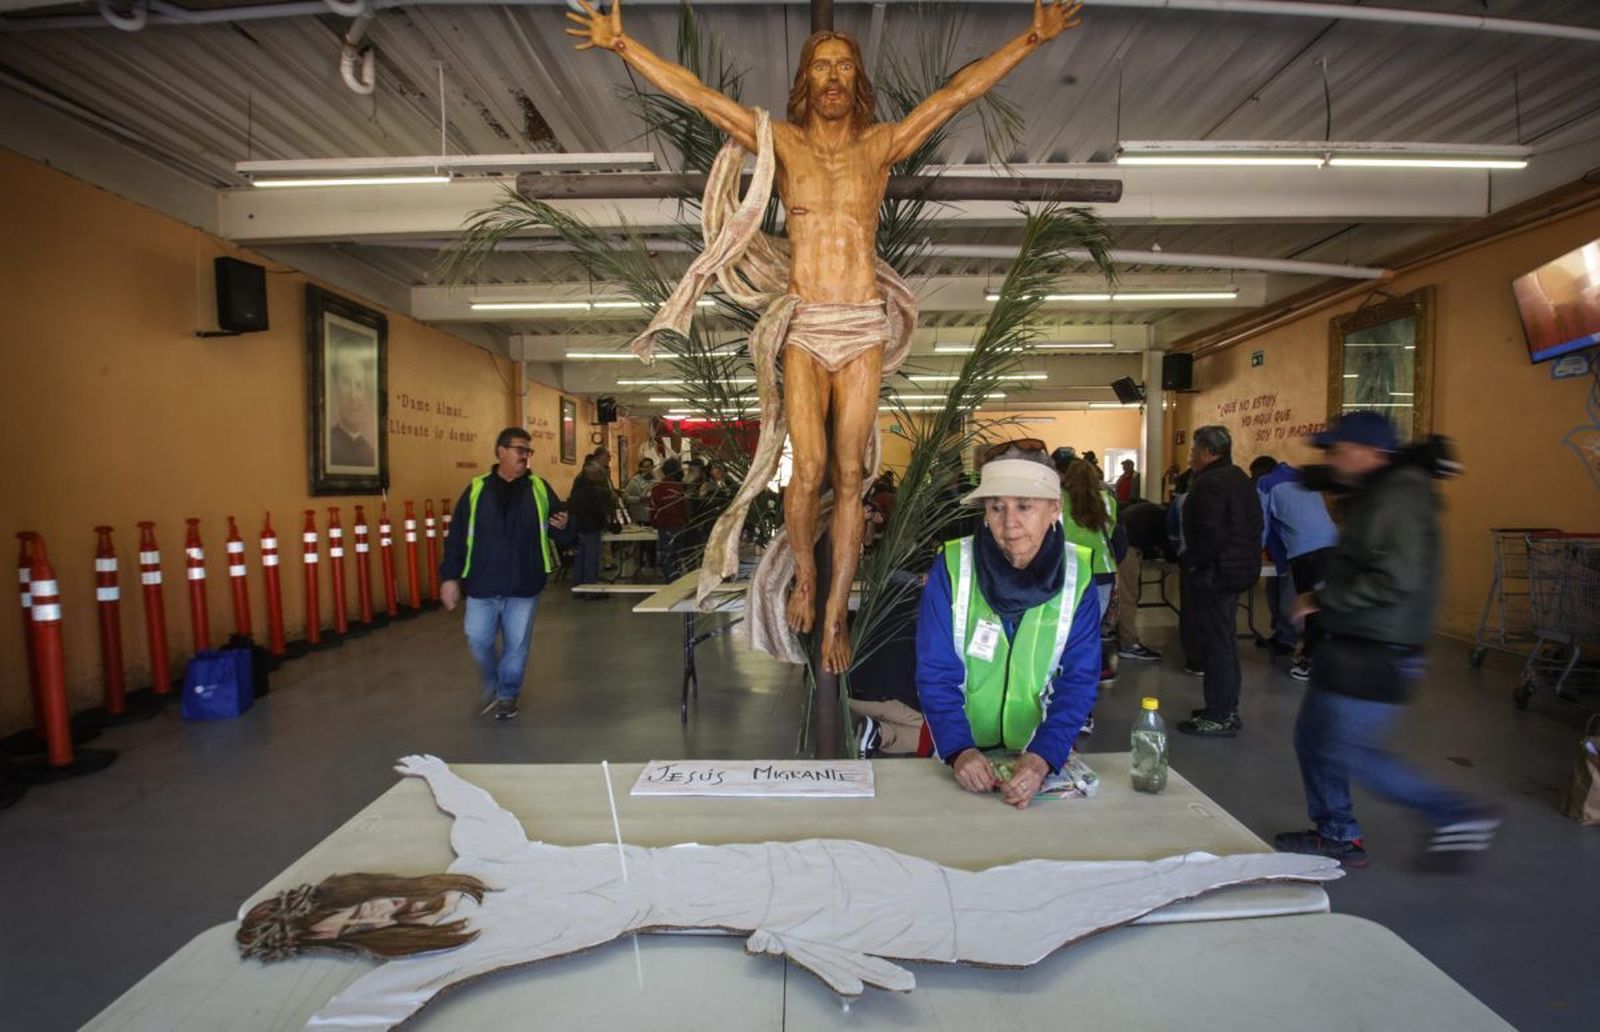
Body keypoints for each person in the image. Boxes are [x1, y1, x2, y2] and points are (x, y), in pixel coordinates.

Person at [573, 0, 1089, 674]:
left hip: (861, 323)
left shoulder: (879, 146)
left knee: (850, 475)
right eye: (823, 68)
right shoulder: (781, 143)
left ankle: (836, 612)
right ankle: (807, 586)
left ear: (857, 81)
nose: (835, 77)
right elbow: (700, 98)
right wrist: (622, 47)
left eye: (845, 66)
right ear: (805, 81)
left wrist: (1031, 37)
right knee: (808, 468)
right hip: (808, 321)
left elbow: (958, 95)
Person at [241, 754, 1340, 1027]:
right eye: (365, 928)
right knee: (1011, 933)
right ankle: (1204, 875)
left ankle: (1217, 871)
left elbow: (482, 822)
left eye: (369, 900)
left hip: (803, 873)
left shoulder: (496, 877)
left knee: (1009, 921)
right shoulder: (483, 939)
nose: (386, 916)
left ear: (380, 887)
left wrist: (441, 774)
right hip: (793, 903)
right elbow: (377, 1006)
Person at [1275, 412, 1499, 869]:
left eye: (1339, 450)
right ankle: (1338, 832)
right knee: (1314, 739)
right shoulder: (1380, 488)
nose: (1332, 458)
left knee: (1350, 751)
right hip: (1353, 641)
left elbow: (1398, 577)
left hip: (1380, 647)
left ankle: (1456, 814)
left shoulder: (1400, 496)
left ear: (1370, 452)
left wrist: (1322, 598)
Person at [915, 444, 1102, 809]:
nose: (1009, 522)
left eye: (1025, 506)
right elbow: (934, 670)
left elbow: (1078, 678)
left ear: (1054, 509)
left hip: (1038, 754)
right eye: (996, 507)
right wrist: (958, 749)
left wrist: (1043, 756)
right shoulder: (953, 566)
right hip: (956, 751)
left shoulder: (1077, 575)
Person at [438, 428, 573, 721]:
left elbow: (561, 532)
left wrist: (564, 527)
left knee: (516, 645)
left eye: (528, 451)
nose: (525, 456)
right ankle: (491, 680)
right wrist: (449, 578)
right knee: (477, 638)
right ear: (500, 451)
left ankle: (507, 695)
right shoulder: (476, 490)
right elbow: (458, 537)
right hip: (482, 584)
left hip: (523, 584)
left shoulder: (538, 488)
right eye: (519, 449)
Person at [1176, 425, 1263, 738]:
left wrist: (1190, 563)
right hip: (1235, 570)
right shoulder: (1238, 478)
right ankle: (1223, 707)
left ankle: (1220, 715)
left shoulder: (1209, 484)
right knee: (1223, 642)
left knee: (1216, 646)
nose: (1191, 457)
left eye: (1194, 450)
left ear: (1209, 452)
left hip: (1216, 574)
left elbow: (1210, 536)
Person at [1252, 454, 1339, 680]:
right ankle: (1302, 647)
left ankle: (1309, 661)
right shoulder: (1301, 476)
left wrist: (1251, 555)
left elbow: (1261, 526)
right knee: (1323, 601)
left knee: (1310, 606)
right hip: (1333, 544)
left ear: (1259, 474)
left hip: (1306, 551)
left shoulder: (1265, 484)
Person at [1058, 459, 1117, 735]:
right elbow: (1113, 533)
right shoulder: (1106, 501)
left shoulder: (1058, 500)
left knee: (1062, 642)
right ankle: (1085, 712)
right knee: (1087, 641)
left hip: (1069, 574)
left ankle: (1061, 707)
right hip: (1103, 573)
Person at [1114, 498, 1165, 662]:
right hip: (1128, 549)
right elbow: (1166, 544)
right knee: (1128, 597)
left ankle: (1116, 634)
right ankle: (1128, 644)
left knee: (1121, 595)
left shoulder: (1148, 509)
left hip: (1118, 545)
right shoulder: (1162, 519)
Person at [567, 460, 611, 598]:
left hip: (578, 527)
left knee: (579, 559)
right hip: (592, 528)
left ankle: (578, 589)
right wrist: (605, 524)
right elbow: (599, 511)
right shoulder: (595, 491)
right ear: (593, 475)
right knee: (591, 560)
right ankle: (591, 590)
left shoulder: (576, 490)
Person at [328, 347, 376, 468]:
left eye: (359, 385)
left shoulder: (371, 453)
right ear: (336, 391)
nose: (353, 396)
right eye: (346, 383)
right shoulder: (327, 444)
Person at [649, 457, 691, 581]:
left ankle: (672, 581)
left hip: (665, 525)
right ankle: (677, 578)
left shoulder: (658, 488)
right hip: (680, 525)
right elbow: (685, 507)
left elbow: (653, 508)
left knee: (667, 555)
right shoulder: (680, 488)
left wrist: (654, 523)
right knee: (677, 554)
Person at [623, 457, 657, 525]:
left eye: (649, 467)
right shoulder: (634, 481)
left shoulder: (657, 480)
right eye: (645, 467)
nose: (647, 469)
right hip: (639, 518)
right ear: (641, 468)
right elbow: (626, 498)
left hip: (653, 518)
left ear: (653, 467)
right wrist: (639, 499)